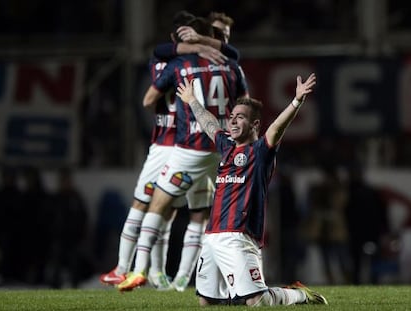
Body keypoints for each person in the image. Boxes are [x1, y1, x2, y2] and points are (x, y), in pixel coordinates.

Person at [99, 11, 232, 291]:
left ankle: (130, 269)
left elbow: (149, 97)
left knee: (151, 206)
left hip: (172, 146)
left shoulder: (167, 63)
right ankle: (162, 274)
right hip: (198, 145)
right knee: (176, 212)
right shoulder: (215, 66)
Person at [175, 75, 328, 306]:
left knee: (257, 300)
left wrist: (296, 101)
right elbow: (209, 124)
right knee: (206, 302)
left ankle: (298, 294)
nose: (233, 121)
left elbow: (277, 127)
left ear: (255, 125)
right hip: (212, 235)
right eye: (232, 117)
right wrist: (192, 101)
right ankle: (238, 296)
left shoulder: (260, 152)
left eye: (241, 118)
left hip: (239, 236)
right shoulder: (226, 145)